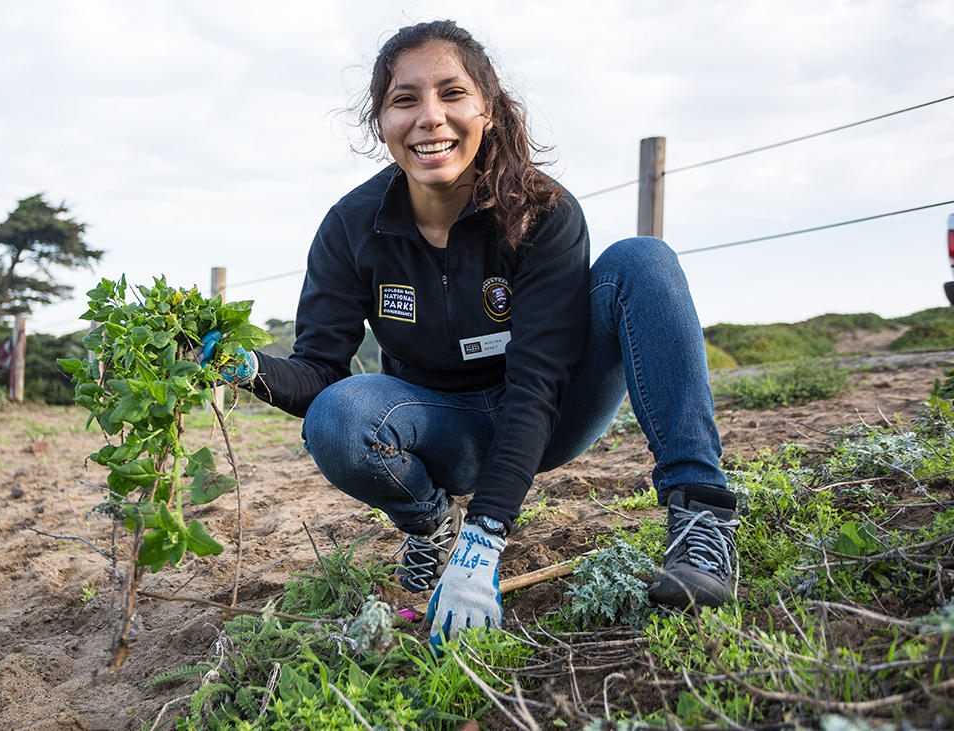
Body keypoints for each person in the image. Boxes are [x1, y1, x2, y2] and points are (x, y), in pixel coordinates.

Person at [216, 19, 739, 650]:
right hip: (444, 428)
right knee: (337, 415)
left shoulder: (542, 211)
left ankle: (700, 518)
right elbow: (321, 374)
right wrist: (240, 364)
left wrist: (486, 539)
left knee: (642, 261)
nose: (430, 117)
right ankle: (429, 524)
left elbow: (539, 382)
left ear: (487, 110)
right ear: (380, 122)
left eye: (452, 94)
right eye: (404, 99)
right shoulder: (350, 226)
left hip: (551, 410)